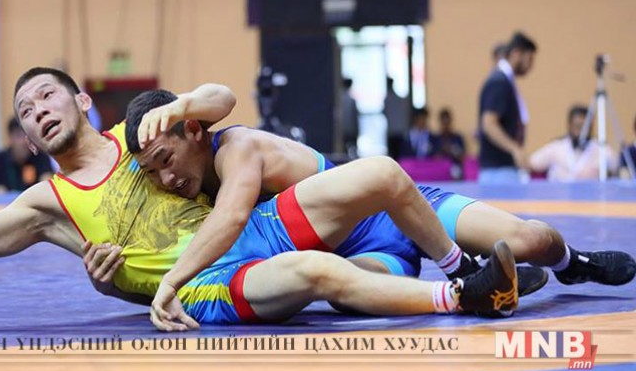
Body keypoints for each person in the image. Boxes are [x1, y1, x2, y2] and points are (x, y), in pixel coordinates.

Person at [0, 67, 519, 333]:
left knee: (374, 180)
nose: (37, 109)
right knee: (319, 274)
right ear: (26, 135)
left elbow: (222, 102)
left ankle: (456, 262)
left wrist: (187, 102)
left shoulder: (140, 131)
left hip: (252, 227)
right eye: (25, 110)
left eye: (46, 95)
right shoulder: (47, 202)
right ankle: (463, 295)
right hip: (202, 284)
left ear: (81, 100)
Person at [117, 87, 634, 320]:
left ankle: (571, 263)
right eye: (152, 172)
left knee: (531, 239)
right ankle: (470, 287)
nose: (166, 178)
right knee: (347, 294)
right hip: (361, 250)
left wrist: (171, 281)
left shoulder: (237, 148)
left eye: (166, 159)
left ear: (192, 129)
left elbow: (231, 208)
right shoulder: (181, 177)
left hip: (395, 206)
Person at [478, 31, 536, 184]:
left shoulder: (506, 82)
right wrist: (514, 149)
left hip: (503, 170)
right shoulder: (499, 81)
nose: (531, 66)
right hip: (498, 172)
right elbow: (489, 124)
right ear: (516, 53)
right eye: (529, 59)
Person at [529, 105, 619, 182]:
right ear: (569, 125)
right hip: (559, 195)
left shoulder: (602, 150)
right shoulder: (556, 148)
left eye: (584, 127)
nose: (580, 132)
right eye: (577, 126)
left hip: (590, 195)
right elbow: (532, 163)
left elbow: (617, 169)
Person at [0, 117, 53, 193]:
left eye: (28, 136)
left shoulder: (40, 156)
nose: (24, 141)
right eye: (19, 136)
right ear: (10, 138)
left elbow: (48, 187)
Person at [432, 107, 466, 177]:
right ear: (440, 122)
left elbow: (462, 157)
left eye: (447, 122)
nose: (445, 125)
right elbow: (432, 158)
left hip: (455, 169)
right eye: (443, 122)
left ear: (450, 122)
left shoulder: (457, 138)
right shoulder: (435, 139)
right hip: (438, 170)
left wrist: (451, 150)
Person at [383, 76, 409, 160]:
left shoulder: (387, 99)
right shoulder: (399, 99)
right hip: (399, 131)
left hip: (393, 132)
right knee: (398, 156)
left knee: (394, 156)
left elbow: (385, 112)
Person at [340, 77, 359, 159]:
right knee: (351, 151)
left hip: (341, 129)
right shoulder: (351, 100)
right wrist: (357, 131)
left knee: (343, 151)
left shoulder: (338, 99)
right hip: (350, 129)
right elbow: (354, 117)